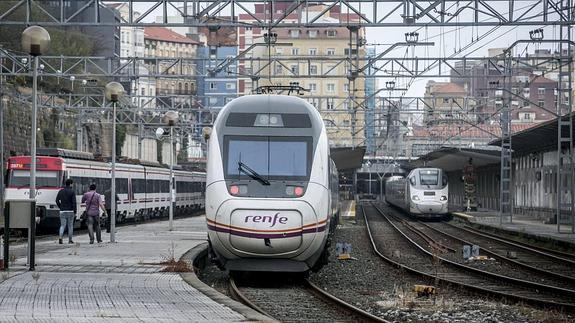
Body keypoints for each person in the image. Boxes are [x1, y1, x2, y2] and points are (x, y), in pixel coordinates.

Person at [55, 179, 77, 244]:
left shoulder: (61, 191)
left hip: (62, 211)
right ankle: (70, 240)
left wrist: (60, 207)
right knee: (70, 226)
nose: (72, 185)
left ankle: (60, 238)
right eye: (72, 184)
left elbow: (56, 200)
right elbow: (74, 202)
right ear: (70, 184)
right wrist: (75, 211)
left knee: (62, 225)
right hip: (70, 211)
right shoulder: (72, 192)